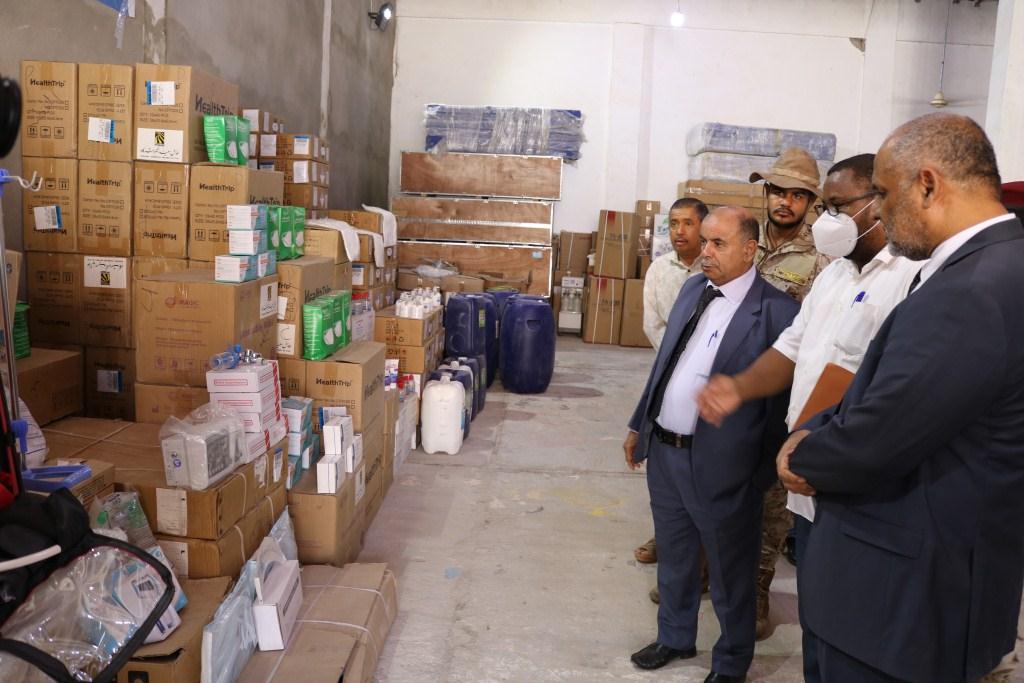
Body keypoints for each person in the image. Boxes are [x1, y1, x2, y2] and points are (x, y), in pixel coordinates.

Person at [778, 113, 1024, 682]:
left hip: (902, 602)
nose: (881, 213)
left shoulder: (971, 290)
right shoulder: (993, 266)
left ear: (928, 185)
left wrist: (802, 451)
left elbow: (879, 436)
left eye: (885, 195)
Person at [696, 153, 923, 681]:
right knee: (817, 607)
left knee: (853, 616)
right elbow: (792, 346)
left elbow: (864, 375)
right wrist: (739, 386)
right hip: (807, 466)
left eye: (837, 206)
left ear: (877, 204)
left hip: (852, 473)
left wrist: (806, 438)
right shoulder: (836, 274)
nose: (827, 218)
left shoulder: (909, 277)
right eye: (827, 207)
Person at [624, 207, 798, 683]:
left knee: (731, 569)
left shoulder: (777, 312)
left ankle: (731, 662)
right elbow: (665, 365)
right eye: (704, 241)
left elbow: (781, 405)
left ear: (750, 249)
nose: (705, 252)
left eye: (718, 243)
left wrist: (759, 471)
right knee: (675, 556)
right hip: (666, 453)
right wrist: (640, 425)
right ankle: (674, 636)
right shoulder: (693, 290)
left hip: (725, 465)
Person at [748, 146, 832, 638]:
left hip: (783, 391)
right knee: (716, 482)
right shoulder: (742, 238)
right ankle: (704, 567)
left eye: (797, 195)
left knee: (773, 498)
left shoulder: (822, 256)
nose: (785, 201)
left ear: (811, 202)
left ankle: (758, 588)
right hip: (734, 383)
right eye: (778, 191)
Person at [634, 197, 707, 574]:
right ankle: (666, 536)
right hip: (669, 378)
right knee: (665, 464)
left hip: (710, 379)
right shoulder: (659, 270)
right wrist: (678, 363)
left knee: (700, 465)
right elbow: (653, 324)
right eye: (674, 223)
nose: (680, 231)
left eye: (688, 223)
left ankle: (700, 546)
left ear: (704, 227)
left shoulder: (716, 268)